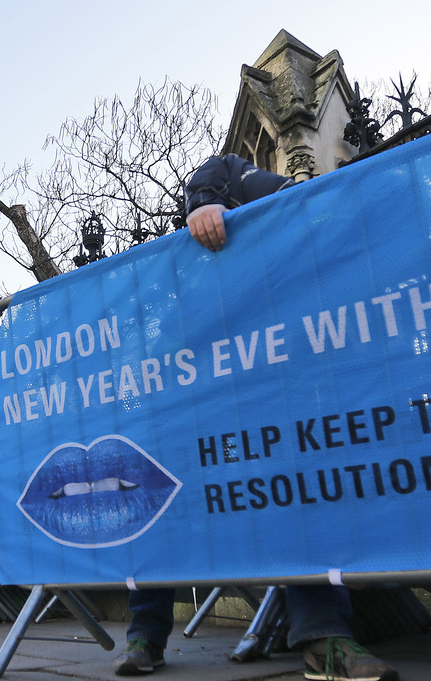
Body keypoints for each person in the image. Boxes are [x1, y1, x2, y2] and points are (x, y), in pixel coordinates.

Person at [114, 154, 397, 681]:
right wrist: (203, 203)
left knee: (299, 484)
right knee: (164, 493)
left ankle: (323, 639)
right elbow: (220, 169)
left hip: (278, 382)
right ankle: (145, 636)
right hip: (200, 369)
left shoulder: (339, 227)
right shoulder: (281, 191)